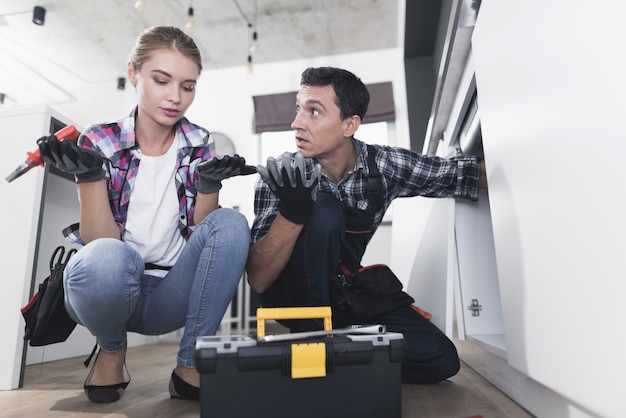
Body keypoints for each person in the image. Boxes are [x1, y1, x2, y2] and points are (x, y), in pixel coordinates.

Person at [37, 25, 252, 403]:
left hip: (173, 292)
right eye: (161, 80)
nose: (175, 98)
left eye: (187, 86)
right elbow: (100, 245)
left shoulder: (200, 141)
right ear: (134, 73)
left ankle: (190, 362)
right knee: (106, 260)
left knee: (232, 223)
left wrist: (209, 187)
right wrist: (89, 177)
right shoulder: (99, 139)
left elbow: (209, 242)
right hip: (110, 292)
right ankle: (111, 350)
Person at [246, 66, 487, 384]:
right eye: (298, 109)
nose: (297, 123)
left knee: (439, 358)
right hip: (292, 296)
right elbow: (259, 279)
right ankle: (312, 344)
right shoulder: (283, 176)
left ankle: (333, 351)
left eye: (314, 112)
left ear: (350, 124)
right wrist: (293, 211)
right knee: (323, 208)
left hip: (342, 293)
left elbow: (460, 175)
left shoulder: (384, 166)